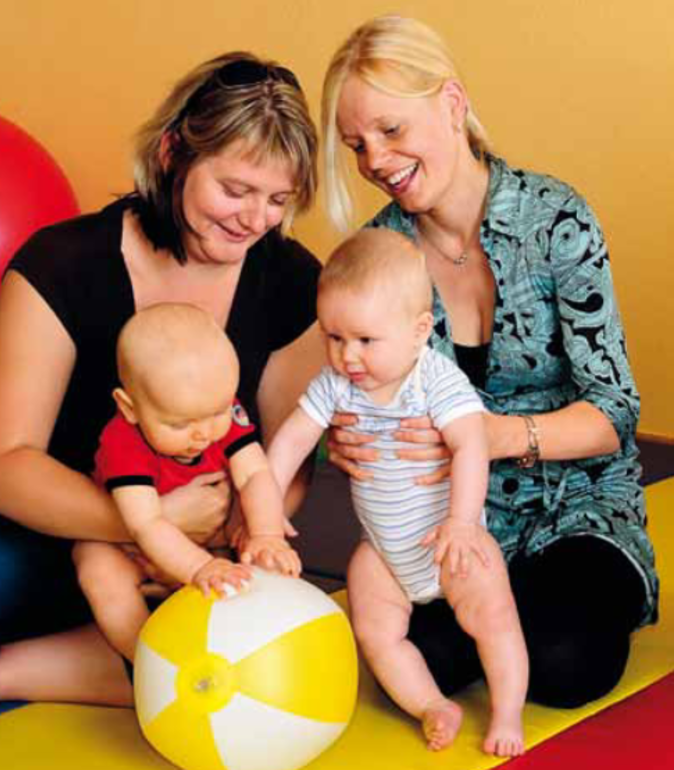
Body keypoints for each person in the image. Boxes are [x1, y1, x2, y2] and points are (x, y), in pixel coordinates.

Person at [0, 51, 323, 709]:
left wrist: (238, 531)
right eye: (235, 190)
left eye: (277, 200)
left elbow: (288, 456)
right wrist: (150, 523)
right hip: (17, 521)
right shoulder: (61, 262)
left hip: (187, 545)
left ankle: (14, 668)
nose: (255, 220)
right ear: (172, 154)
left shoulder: (289, 282)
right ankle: (60, 657)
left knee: (257, 678)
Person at [320, 14, 657, 710]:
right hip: (448, 528)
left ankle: (529, 609)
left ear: (451, 103)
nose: (374, 160)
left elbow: (615, 412)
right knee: (417, 666)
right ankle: (495, 617)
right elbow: (347, 384)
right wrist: (347, 438)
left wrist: (496, 436)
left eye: (390, 130)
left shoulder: (556, 220)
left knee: (566, 664)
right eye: (356, 144)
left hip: (579, 502)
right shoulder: (378, 255)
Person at [269, 228, 527, 756]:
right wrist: (264, 515)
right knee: (375, 633)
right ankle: (431, 704)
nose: (348, 357)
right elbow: (293, 439)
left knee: (495, 621)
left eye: (365, 340)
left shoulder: (436, 380)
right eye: (333, 338)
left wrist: (460, 522)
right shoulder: (336, 383)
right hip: (385, 554)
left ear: (418, 331)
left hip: (449, 543)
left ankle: (507, 714)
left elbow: (471, 447)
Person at [75, 302, 301, 663]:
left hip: (204, 537)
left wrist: (267, 534)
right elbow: (145, 523)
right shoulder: (122, 442)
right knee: (98, 568)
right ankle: (149, 661)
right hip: (127, 545)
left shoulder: (216, 406)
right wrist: (198, 567)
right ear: (129, 407)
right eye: (180, 425)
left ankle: (241, 643)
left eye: (217, 413)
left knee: (252, 557)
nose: (203, 434)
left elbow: (256, 473)